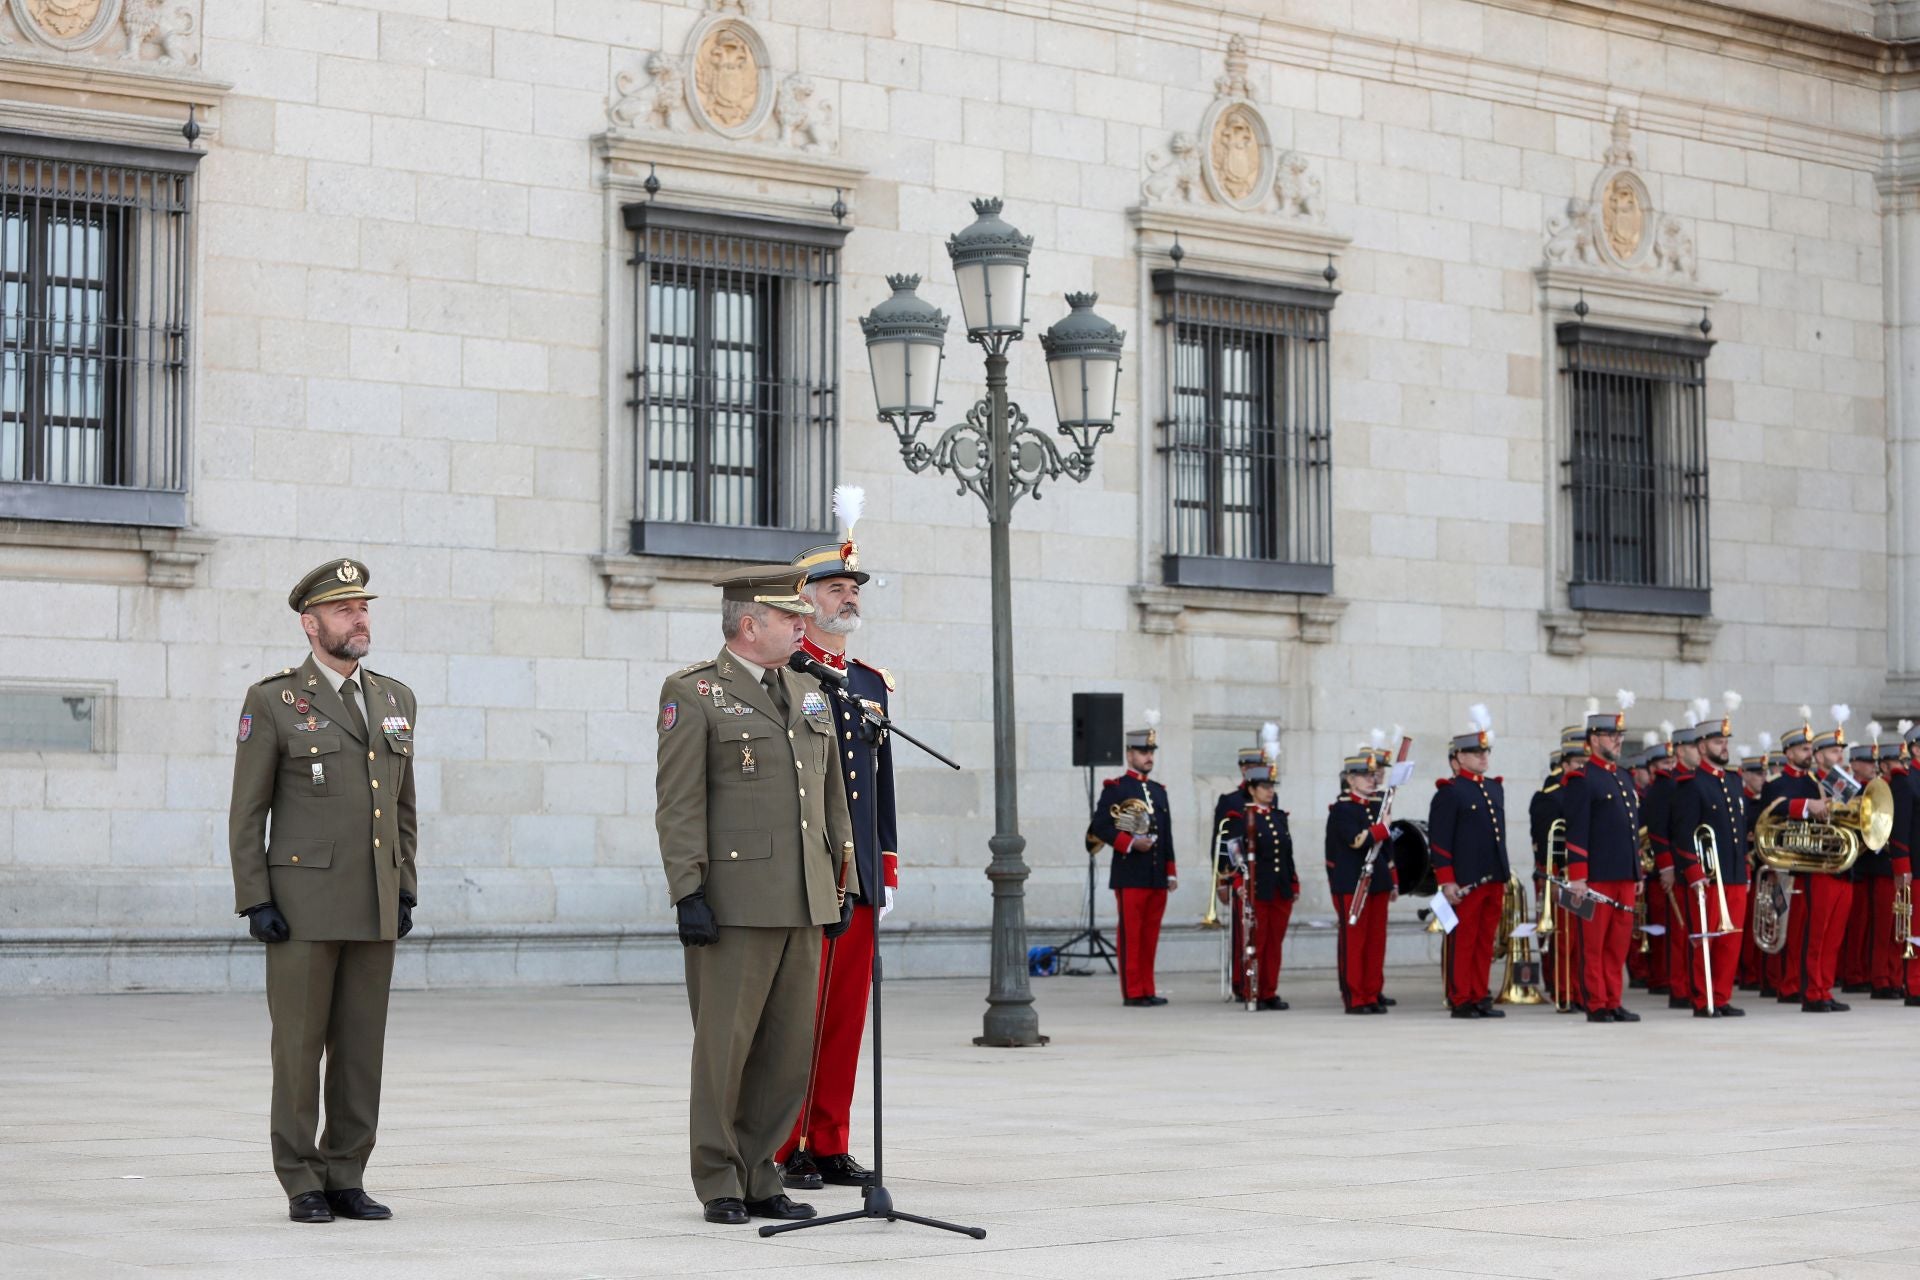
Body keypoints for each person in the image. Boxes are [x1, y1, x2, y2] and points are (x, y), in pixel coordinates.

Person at [655, 563, 855, 1225]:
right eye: (788, 617)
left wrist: (840, 883)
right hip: (735, 903)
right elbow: (679, 804)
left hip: (803, 898)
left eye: (801, 616)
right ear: (749, 623)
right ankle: (718, 1179)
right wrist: (690, 891)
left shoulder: (809, 692)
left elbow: (832, 801)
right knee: (725, 1049)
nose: (802, 625)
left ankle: (761, 1171)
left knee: (787, 1049)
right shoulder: (695, 693)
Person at [228, 558, 418, 1224]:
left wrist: (406, 887)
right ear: (311, 625)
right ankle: (301, 1178)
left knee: (362, 1050)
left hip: (374, 902)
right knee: (300, 1048)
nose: (359, 619)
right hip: (302, 907)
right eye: (343, 610)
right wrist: (256, 898)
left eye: (363, 607)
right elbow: (248, 811)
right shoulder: (273, 700)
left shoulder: (395, 699)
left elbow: (403, 807)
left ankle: (347, 1172)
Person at [777, 519, 899, 1192]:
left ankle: (829, 1140)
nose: (847, 597)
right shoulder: (788, 678)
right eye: (834, 587)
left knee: (847, 1013)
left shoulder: (871, 683)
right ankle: (785, 1141)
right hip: (808, 871)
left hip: (859, 876)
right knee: (799, 1012)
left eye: (852, 587)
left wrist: (887, 859)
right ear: (804, 600)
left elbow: (881, 783)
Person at [1560, 696, 1643, 1023]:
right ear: (1594, 740)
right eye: (1611, 736)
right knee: (1593, 945)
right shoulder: (1582, 779)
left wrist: (1637, 873)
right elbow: (1577, 831)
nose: (1618, 741)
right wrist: (1577, 877)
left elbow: (1632, 831)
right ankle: (1596, 1003)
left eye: (1620, 736)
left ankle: (1613, 999)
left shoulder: (1623, 778)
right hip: (1595, 877)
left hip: (1624, 874)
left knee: (1617, 945)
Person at [1428, 711, 1511, 1019]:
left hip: (1493, 877)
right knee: (1464, 940)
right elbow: (1440, 841)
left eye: (1484, 751)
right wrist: (1447, 880)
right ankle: (1461, 997)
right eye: (1475, 752)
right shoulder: (1450, 792)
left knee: (1484, 941)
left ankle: (1479, 993)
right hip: (1466, 880)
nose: (1482, 757)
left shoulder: (1494, 788)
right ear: (1457, 758)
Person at [1087, 720, 1177, 1006]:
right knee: (1131, 937)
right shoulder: (1116, 789)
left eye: (1151, 751)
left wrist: (1171, 872)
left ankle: (1148, 988)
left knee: (1150, 936)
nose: (1148, 757)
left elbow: (1167, 835)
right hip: (1130, 873)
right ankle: (1134, 992)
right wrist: (1129, 843)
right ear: (1130, 755)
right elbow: (1100, 827)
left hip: (1156, 876)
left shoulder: (1159, 791)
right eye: (1142, 752)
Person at [1671, 706, 1748, 1017]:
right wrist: (1694, 873)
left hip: (1734, 874)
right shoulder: (1692, 785)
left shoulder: (1733, 782)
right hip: (1707, 876)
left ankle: (1722, 996)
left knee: (1731, 941)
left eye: (1726, 741)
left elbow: (1739, 831)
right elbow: (1684, 833)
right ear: (1702, 747)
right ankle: (1704, 1000)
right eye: (1718, 742)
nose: (1724, 746)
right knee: (1707, 940)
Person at [1326, 750, 1396, 1014]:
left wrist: (1393, 879)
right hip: (1353, 883)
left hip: (1377, 882)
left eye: (1372, 775)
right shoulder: (1342, 809)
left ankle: (1371, 992)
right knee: (1355, 944)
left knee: (1376, 942)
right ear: (1350, 779)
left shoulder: (1375, 808)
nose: (1372, 780)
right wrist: (1382, 828)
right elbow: (1356, 840)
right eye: (1365, 776)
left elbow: (1387, 849)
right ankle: (1355, 996)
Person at [1238, 761, 1296, 1009]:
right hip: (1258, 888)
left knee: (1274, 943)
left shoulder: (1279, 817)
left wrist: (1293, 883)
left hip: (1279, 888)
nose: (1270, 791)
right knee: (1257, 943)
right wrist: (1240, 883)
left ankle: (1269, 991)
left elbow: (1287, 855)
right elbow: (1235, 855)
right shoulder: (1243, 818)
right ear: (1252, 789)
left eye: (1271, 786)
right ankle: (1254, 991)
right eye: (1264, 786)